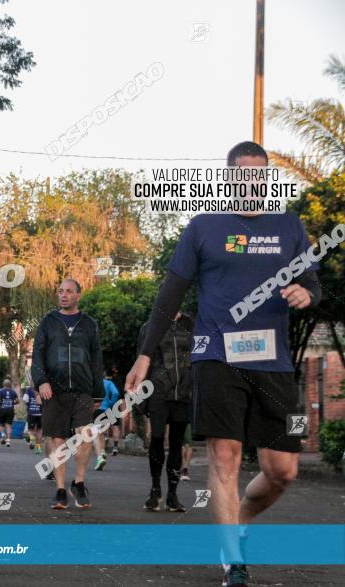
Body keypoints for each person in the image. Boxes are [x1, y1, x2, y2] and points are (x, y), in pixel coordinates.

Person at [125, 142, 322, 587]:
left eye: (259, 174)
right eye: (242, 174)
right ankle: (233, 562)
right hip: (216, 354)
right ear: (229, 178)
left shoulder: (290, 227)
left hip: (273, 363)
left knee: (283, 469)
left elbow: (313, 283)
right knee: (225, 454)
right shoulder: (204, 227)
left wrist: (307, 294)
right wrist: (145, 353)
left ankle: (240, 520)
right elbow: (170, 295)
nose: (251, 181)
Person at [31, 278, 104, 510]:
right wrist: (41, 381)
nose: (63, 295)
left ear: (78, 295)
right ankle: (60, 489)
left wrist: (98, 393)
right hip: (54, 389)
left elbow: (96, 359)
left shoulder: (89, 324)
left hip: (82, 389)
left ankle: (79, 483)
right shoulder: (48, 322)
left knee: (85, 436)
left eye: (69, 291)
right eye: (61, 291)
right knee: (58, 440)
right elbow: (38, 354)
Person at [137, 312, 193, 511]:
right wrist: (141, 398)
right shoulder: (150, 327)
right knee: (157, 438)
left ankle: (172, 494)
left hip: (184, 393)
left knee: (177, 444)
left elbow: (199, 357)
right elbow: (142, 361)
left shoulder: (191, 325)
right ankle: (155, 490)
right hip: (157, 393)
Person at [92, 371, 121, 471]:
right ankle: (103, 451)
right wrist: (110, 403)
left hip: (97, 410)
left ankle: (100, 457)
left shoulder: (94, 384)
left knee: (96, 433)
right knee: (107, 430)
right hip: (108, 410)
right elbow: (116, 393)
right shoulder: (109, 383)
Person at [0, 378, 19, 446]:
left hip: (2, 410)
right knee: (9, 425)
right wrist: (12, 403)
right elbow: (18, 401)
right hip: (10, 410)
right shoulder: (13, 392)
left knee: (1, 424)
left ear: (3, 384)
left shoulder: (1, 391)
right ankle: (8, 440)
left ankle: (3, 436)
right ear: (10, 384)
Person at [23, 384, 42, 454]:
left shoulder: (29, 390)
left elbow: (25, 399)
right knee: (39, 431)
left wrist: (28, 404)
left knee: (30, 430)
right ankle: (39, 449)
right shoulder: (42, 387)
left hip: (32, 413)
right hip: (41, 413)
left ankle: (32, 441)